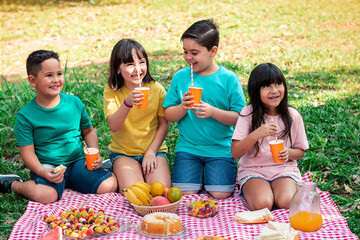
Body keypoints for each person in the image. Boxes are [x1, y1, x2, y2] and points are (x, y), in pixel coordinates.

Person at [0, 50, 118, 204]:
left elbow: (88, 132)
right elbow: (27, 153)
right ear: (33, 81)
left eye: (59, 74)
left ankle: (84, 175)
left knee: (109, 185)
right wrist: (42, 171)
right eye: (49, 75)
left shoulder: (74, 103)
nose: (56, 80)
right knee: (46, 196)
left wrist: (95, 155)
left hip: (78, 161)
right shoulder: (25, 116)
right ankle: (15, 185)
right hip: (47, 166)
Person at [163, 19, 246, 199]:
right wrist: (182, 107)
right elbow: (168, 114)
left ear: (213, 51)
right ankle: (199, 173)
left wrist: (213, 112)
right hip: (188, 148)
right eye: (185, 52)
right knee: (186, 193)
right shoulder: (181, 77)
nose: (188, 57)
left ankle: (207, 173)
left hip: (220, 148)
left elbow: (240, 117)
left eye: (194, 52)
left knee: (220, 194)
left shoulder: (228, 79)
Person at [231, 63, 309, 210]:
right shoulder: (247, 114)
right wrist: (256, 134)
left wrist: (289, 153)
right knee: (263, 204)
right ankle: (263, 192)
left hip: (284, 170)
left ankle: (278, 191)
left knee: (287, 202)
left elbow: (301, 151)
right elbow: (235, 152)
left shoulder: (293, 115)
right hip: (253, 170)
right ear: (256, 90)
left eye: (278, 84)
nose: (274, 91)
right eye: (266, 86)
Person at [104, 39, 171, 193]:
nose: (137, 69)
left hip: (154, 151)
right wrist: (127, 103)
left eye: (141, 62)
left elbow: (164, 125)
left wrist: (151, 152)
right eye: (129, 64)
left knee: (159, 192)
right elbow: (113, 126)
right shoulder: (112, 91)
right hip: (124, 154)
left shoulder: (157, 89)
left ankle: (130, 171)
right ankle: (117, 167)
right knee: (137, 194)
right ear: (118, 69)